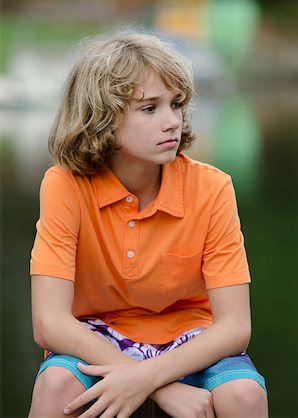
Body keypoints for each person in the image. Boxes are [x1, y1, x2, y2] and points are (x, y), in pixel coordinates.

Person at [29, 31, 268, 418]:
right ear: (102, 116)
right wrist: (162, 389)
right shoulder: (64, 184)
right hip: (97, 334)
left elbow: (235, 327)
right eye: (149, 108)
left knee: (243, 395)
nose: (172, 121)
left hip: (192, 338)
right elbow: (49, 322)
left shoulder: (212, 187)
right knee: (57, 384)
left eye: (176, 104)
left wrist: (148, 377)